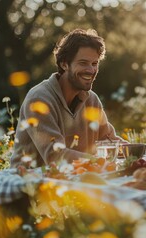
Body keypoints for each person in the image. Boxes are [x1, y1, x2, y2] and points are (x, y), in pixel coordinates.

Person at [11, 29, 123, 168]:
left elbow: (110, 141)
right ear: (64, 64)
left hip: (77, 177)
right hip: (32, 180)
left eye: (94, 64)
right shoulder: (39, 99)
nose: (91, 70)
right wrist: (98, 161)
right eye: (83, 63)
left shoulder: (92, 100)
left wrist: (143, 152)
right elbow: (54, 155)